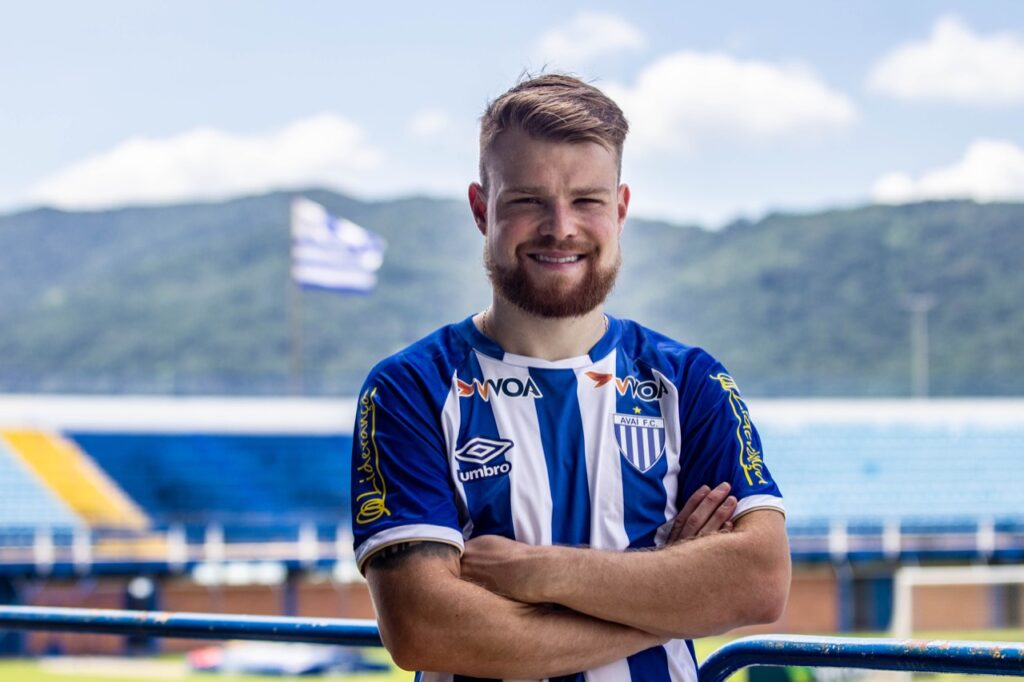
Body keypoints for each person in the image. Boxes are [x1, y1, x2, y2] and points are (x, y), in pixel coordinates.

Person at [350, 74, 790, 681]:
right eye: (527, 200)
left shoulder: (690, 382)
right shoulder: (409, 388)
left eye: (587, 201)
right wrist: (678, 597)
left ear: (621, 209)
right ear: (481, 209)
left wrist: (536, 571)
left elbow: (758, 582)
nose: (561, 226)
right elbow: (424, 628)